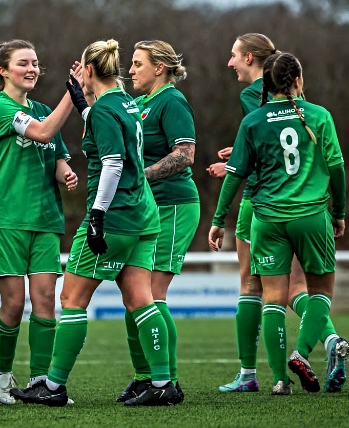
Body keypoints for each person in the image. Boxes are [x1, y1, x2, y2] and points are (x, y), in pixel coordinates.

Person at [11, 39, 176, 407]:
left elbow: (113, 163)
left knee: (72, 298)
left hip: (114, 216)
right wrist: (84, 105)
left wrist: (98, 216)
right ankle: (163, 381)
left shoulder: (104, 110)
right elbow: (108, 128)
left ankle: (52, 386)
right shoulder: (126, 103)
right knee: (140, 299)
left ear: (88, 71)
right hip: (143, 216)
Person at [207, 34, 343, 393]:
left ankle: (270, 378)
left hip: (263, 209)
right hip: (310, 213)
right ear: (297, 78)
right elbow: (336, 166)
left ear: (261, 71)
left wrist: (218, 219)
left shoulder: (253, 110)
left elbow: (242, 168)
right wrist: (339, 211)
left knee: (262, 290)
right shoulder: (317, 114)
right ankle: (313, 347)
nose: (230, 62)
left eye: (234, 55)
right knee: (315, 290)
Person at [0, 39, 78, 404]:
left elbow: (56, 155)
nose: (32, 69)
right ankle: (1, 378)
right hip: (6, 218)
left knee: (45, 303)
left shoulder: (40, 107)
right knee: (13, 304)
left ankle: (41, 382)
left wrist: (65, 174)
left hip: (46, 218)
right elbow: (41, 132)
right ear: (4, 70)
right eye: (23, 63)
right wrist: (75, 93)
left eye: (35, 62)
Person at [112, 40, 196, 405]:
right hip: (146, 210)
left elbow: (185, 155)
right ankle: (145, 377)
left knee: (151, 296)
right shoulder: (141, 104)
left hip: (173, 205)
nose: (130, 70)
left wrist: (138, 175)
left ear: (159, 67)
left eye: (137, 63)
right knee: (134, 296)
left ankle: (168, 382)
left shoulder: (171, 100)